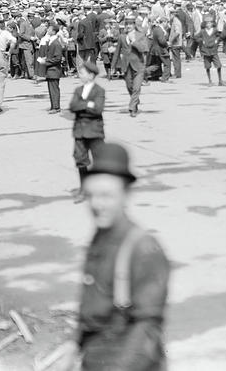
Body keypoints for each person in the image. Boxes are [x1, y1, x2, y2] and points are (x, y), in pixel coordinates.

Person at [62, 142, 169, 371]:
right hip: (95, 358)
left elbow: (146, 330)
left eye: (107, 196)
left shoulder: (143, 249)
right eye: (91, 196)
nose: (97, 205)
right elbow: (90, 307)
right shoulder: (100, 237)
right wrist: (74, 345)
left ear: (126, 195)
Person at [69, 59, 105, 203]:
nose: (80, 75)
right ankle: (84, 189)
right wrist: (87, 104)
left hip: (94, 131)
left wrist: (82, 105)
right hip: (79, 131)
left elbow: (98, 109)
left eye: (82, 73)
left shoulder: (99, 91)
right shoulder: (78, 90)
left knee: (100, 161)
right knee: (81, 160)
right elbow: (72, 106)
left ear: (91, 75)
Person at [111, 18, 149, 116]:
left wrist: (134, 41)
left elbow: (143, 49)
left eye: (130, 24)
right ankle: (135, 101)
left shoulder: (140, 36)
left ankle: (132, 108)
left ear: (134, 25)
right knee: (129, 86)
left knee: (136, 87)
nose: (128, 26)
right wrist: (113, 66)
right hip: (126, 66)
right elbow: (117, 52)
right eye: (126, 24)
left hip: (139, 65)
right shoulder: (122, 37)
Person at [38, 23, 66, 114]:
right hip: (51, 70)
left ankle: (56, 107)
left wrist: (45, 62)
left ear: (53, 31)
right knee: (51, 89)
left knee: (54, 89)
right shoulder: (52, 41)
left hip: (54, 69)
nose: (48, 30)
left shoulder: (56, 43)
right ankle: (54, 106)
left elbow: (57, 58)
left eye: (49, 29)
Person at [198, 17, 224, 87]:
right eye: (207, 23)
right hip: (206, 51)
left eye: (210, 23)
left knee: (218, 65)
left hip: (213, 50)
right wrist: (201, 41)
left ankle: (220, 80)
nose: (209, 24)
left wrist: (217, 40)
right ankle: (209, 80)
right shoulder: (203, 31)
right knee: (207, 66)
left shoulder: (215, 30)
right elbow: (196, 37)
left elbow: (220, 36)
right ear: (205, 24)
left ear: (212, 23)